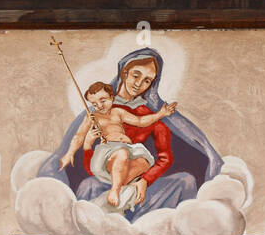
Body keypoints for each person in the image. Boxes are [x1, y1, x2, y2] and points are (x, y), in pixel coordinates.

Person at [40, 48, 223, 221]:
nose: (139, 84)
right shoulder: (97, 112)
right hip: (108, 180)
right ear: (124, 72)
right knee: (89, 186)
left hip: (143, 184)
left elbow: (164, 158)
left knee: (186, 181)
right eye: (136, 75)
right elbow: (89, 164)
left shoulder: (150, 113)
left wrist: (144, 181)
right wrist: (87, 145)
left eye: (147, 80)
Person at [59, 81, 179, 209]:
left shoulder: (118, 112)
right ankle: (115, 190)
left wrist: (160, 114)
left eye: (103, 100)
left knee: (144, 163)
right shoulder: (92, 117)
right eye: (94, 104)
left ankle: (121, 189)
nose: (99, 105)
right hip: (108, 151)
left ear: (112, 97)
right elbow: (79, 136)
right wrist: (69, 153)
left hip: (129, 149)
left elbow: (140, 121)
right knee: (121, 153)